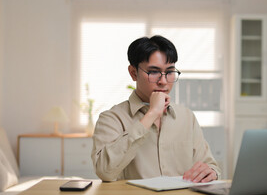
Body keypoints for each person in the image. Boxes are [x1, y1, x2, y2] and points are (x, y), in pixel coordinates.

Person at [91, 35, 221, 183]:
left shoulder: (187, 117)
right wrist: (151, 114)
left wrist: (211, 172)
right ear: (133, 73)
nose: (163, 81)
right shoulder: (111, 118)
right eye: (153, 72)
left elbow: (210, 165)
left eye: (170, 72)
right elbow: (105, 172)